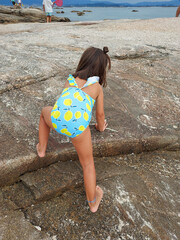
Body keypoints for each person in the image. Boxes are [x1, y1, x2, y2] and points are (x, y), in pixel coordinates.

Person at [36, 46, 111, 213]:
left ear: (83, 62)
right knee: (88, 164)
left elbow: (66, 103)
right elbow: (100, 114)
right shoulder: (97, 87)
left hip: (56, 119)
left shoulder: (70, 79)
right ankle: (93, 203)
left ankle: (41, 150)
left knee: (43, 113)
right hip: (77, 129)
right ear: (101, 69)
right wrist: (100, 127)